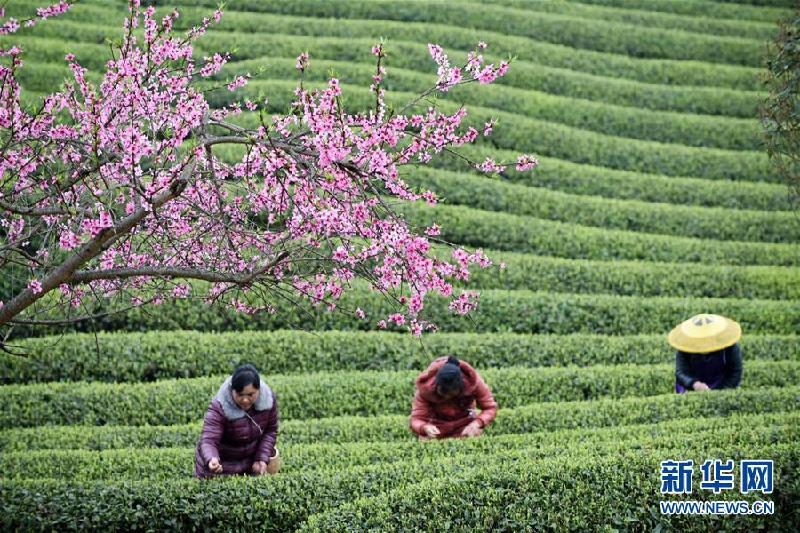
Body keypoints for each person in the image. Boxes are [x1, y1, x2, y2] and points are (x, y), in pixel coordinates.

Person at [195, 364, 280, 478]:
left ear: (258, 390)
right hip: (222, 467)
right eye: (240, 395)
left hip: (249, 466)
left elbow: (270, 431)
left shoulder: (268, 402)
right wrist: (212, 459)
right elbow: (209, 439)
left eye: (251, 395)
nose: (245, 400)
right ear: (232, 390)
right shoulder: (220, 406)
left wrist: (261, 458)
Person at [410, 355, 498, 440]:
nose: (447, 397)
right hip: (437, 427)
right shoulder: (425, 388)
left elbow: (490, 407)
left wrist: (477, 423)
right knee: (425, 439)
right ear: (436, 386)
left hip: (465, 425)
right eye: (443, 394)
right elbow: (417, 418)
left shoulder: (473, 381)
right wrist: (424, 427)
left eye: (451, 394)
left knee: (475, 437)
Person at [668, 314, 743, 393]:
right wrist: (694, 384)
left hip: (722, 383)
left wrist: (719, 392)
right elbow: (681, 373)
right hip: (691, 386)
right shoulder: (685, 346)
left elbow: (735, 373)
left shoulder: (729, 346)